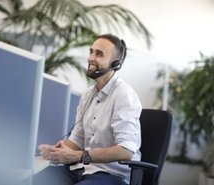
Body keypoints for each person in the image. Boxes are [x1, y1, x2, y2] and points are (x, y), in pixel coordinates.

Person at [35, 34, 142, 185]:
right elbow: (77, 138)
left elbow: (126, 151)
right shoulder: (88, 94)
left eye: (99, 54)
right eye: (91, 51)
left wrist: (79, 156)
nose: (91, 58)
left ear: (115, 64)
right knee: (34, 179)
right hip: (81, 169)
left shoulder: (124, 96)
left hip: (111, 174)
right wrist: (56, 152)